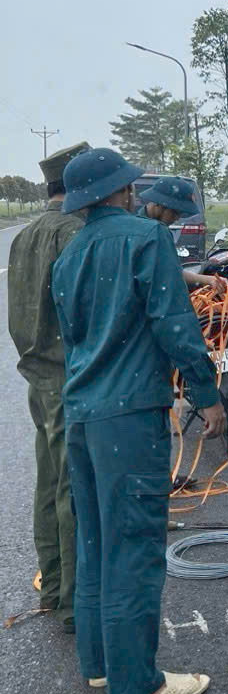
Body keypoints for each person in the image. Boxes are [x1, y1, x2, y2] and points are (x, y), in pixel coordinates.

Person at [52, 148, 226, 694]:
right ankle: (138, 686)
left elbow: (75, 334)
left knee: (96, 541)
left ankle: (101, 667)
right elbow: (174, 323)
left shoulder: (70, 252)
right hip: (128, 416)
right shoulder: (146, 240)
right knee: (134, 547)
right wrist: (207, 393)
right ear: (125, 190)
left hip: (80, 413)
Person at [7, 140, 90, 631]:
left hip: (36, 374)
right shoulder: (71, 235)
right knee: (72, 488)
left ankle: (55, 585)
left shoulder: (26, 234)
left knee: (48, 482)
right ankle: (74, 602)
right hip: (67, 375)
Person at [137, 176, 226, 292]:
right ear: (158, 204)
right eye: (174, 212)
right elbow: (169, 277)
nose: (177, 217)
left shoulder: (152, 228)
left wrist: (208, 280)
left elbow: (172, 271)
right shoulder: (154, 232)